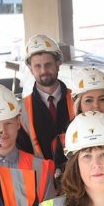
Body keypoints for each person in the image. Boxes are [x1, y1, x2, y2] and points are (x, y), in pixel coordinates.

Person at [19, 33, 75, 163]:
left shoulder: (77, 100)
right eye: (37, 66)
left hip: (76, 176)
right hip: (41, 178)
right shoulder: (22, 110)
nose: (43, 70)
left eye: (48, 64)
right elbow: (22, 151)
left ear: (58, 64)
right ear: (30, 69)